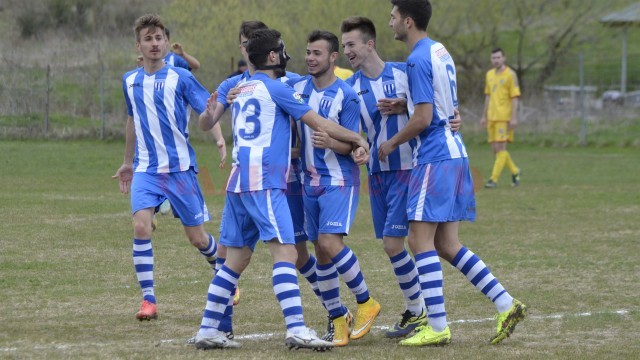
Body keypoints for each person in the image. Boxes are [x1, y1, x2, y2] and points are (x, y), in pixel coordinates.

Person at [193, 28, 368, 350]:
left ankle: (208, 329)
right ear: (273, 56)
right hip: (265, 183)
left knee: (235, 260)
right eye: (283, 50)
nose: (289, 55)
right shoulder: (277, 89)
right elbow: (321, 124)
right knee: (287, 253)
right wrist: (358, 138)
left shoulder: (241, 87)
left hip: (237, 182)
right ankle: (297, 328)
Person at [382, 0, 527, 346]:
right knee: (447, 244)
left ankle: (437, 326)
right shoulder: (440, 51)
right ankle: (507, 304)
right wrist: (411, 105)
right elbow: (445, 106)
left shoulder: (416, 58)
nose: (389, 23)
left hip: (434, 157)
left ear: (408, 20)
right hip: (455, 152)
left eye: (392, 17)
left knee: (418, 241)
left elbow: (424, 118)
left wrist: (390, 143)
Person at [112, 14, 218, 322]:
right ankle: (148, 300)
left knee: (197, 238)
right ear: (139, 45)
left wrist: (218, 132)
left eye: (159, 38)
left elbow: (206, 113)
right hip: (146, 169)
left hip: (180, 169)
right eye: (148, 39)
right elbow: (132, 121)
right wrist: (128, 162)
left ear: (165, 42)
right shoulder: (129, 81)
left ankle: (222, 270)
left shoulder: (181, 77)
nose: (154, 43)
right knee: (141, 227)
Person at [286, 30, 380, 347]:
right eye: (308, 52)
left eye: (317, 53)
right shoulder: (297, 88)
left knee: (329, 241)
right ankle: (338, 321)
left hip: (339, 179)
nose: (311, 58)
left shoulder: (346, 97)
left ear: (333, 57)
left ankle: (366, 302)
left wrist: (333, 142)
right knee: (320, 252)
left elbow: (352, 145)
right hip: (306, 181)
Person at [481, 47, 521, 188]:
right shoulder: (489, 74)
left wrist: (514, 118)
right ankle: (515, 171)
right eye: (493, 58)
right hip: (491, 116)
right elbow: (488, 95)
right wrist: (484, 115)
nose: (496, 60)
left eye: (498, 57)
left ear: (504, 58)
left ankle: (493, 179)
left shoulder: (511, 75)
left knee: (501, 149)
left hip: (504, 117)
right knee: (496, 151)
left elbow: (515, 98)